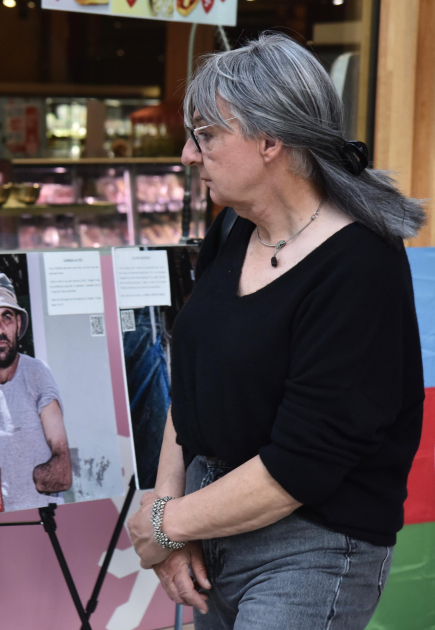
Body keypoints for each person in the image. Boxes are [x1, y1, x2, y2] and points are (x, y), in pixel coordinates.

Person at [126, 33, 426, 630]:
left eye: (206, 136)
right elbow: (191, 379)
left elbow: (301, 466)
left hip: (312, 546)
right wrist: (170, 504)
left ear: (270, 140)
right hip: (211, 524)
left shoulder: (360, 263)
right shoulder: (234, 231)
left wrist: (165, 524)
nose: (188, 154)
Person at [0, 272, 71, 512]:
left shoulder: (37, 374)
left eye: (7, 316)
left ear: (17, 324)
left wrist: (33, 478)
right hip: (4, 528)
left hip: (45, 521)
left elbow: (63, 470)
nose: (0, 327)